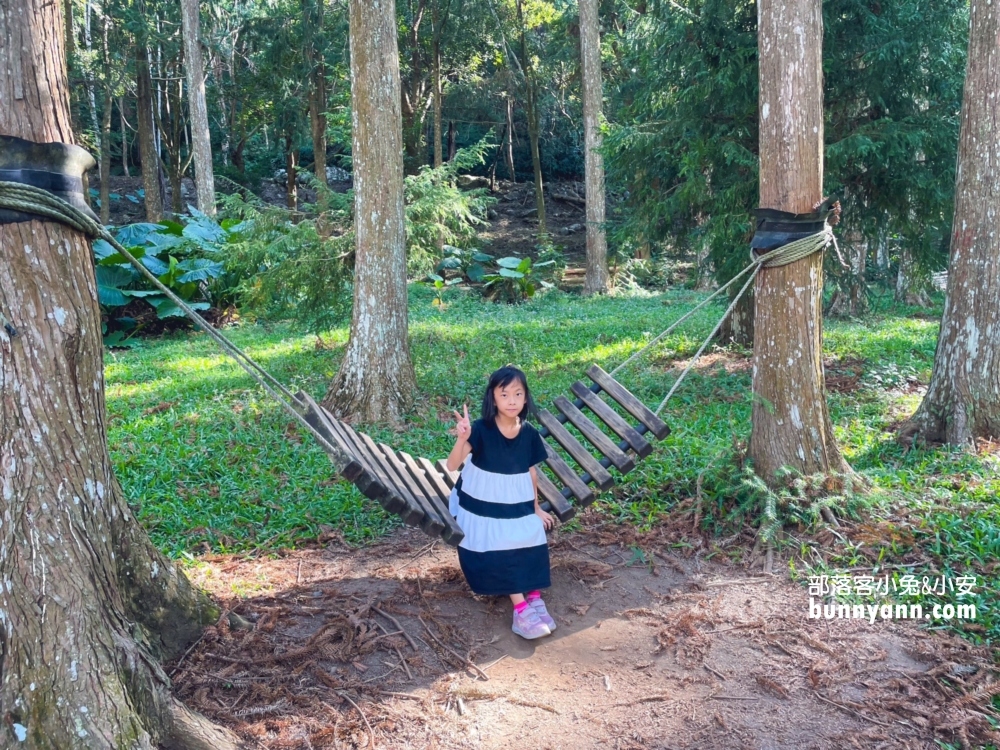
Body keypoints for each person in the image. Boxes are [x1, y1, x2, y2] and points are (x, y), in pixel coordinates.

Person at [446, 365, 556, 640]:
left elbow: (531, 471)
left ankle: (533, 595)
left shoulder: (529, 432)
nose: (511, 401)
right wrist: (462, 438)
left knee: (531, 532)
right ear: (493, 398)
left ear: (526, 398)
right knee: (501, 539)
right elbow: (452, 464)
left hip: (514, 500)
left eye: (518, 394)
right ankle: (520, 609)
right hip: (478, 502)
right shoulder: (481, 429)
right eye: (504, 394)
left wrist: (536, 508)